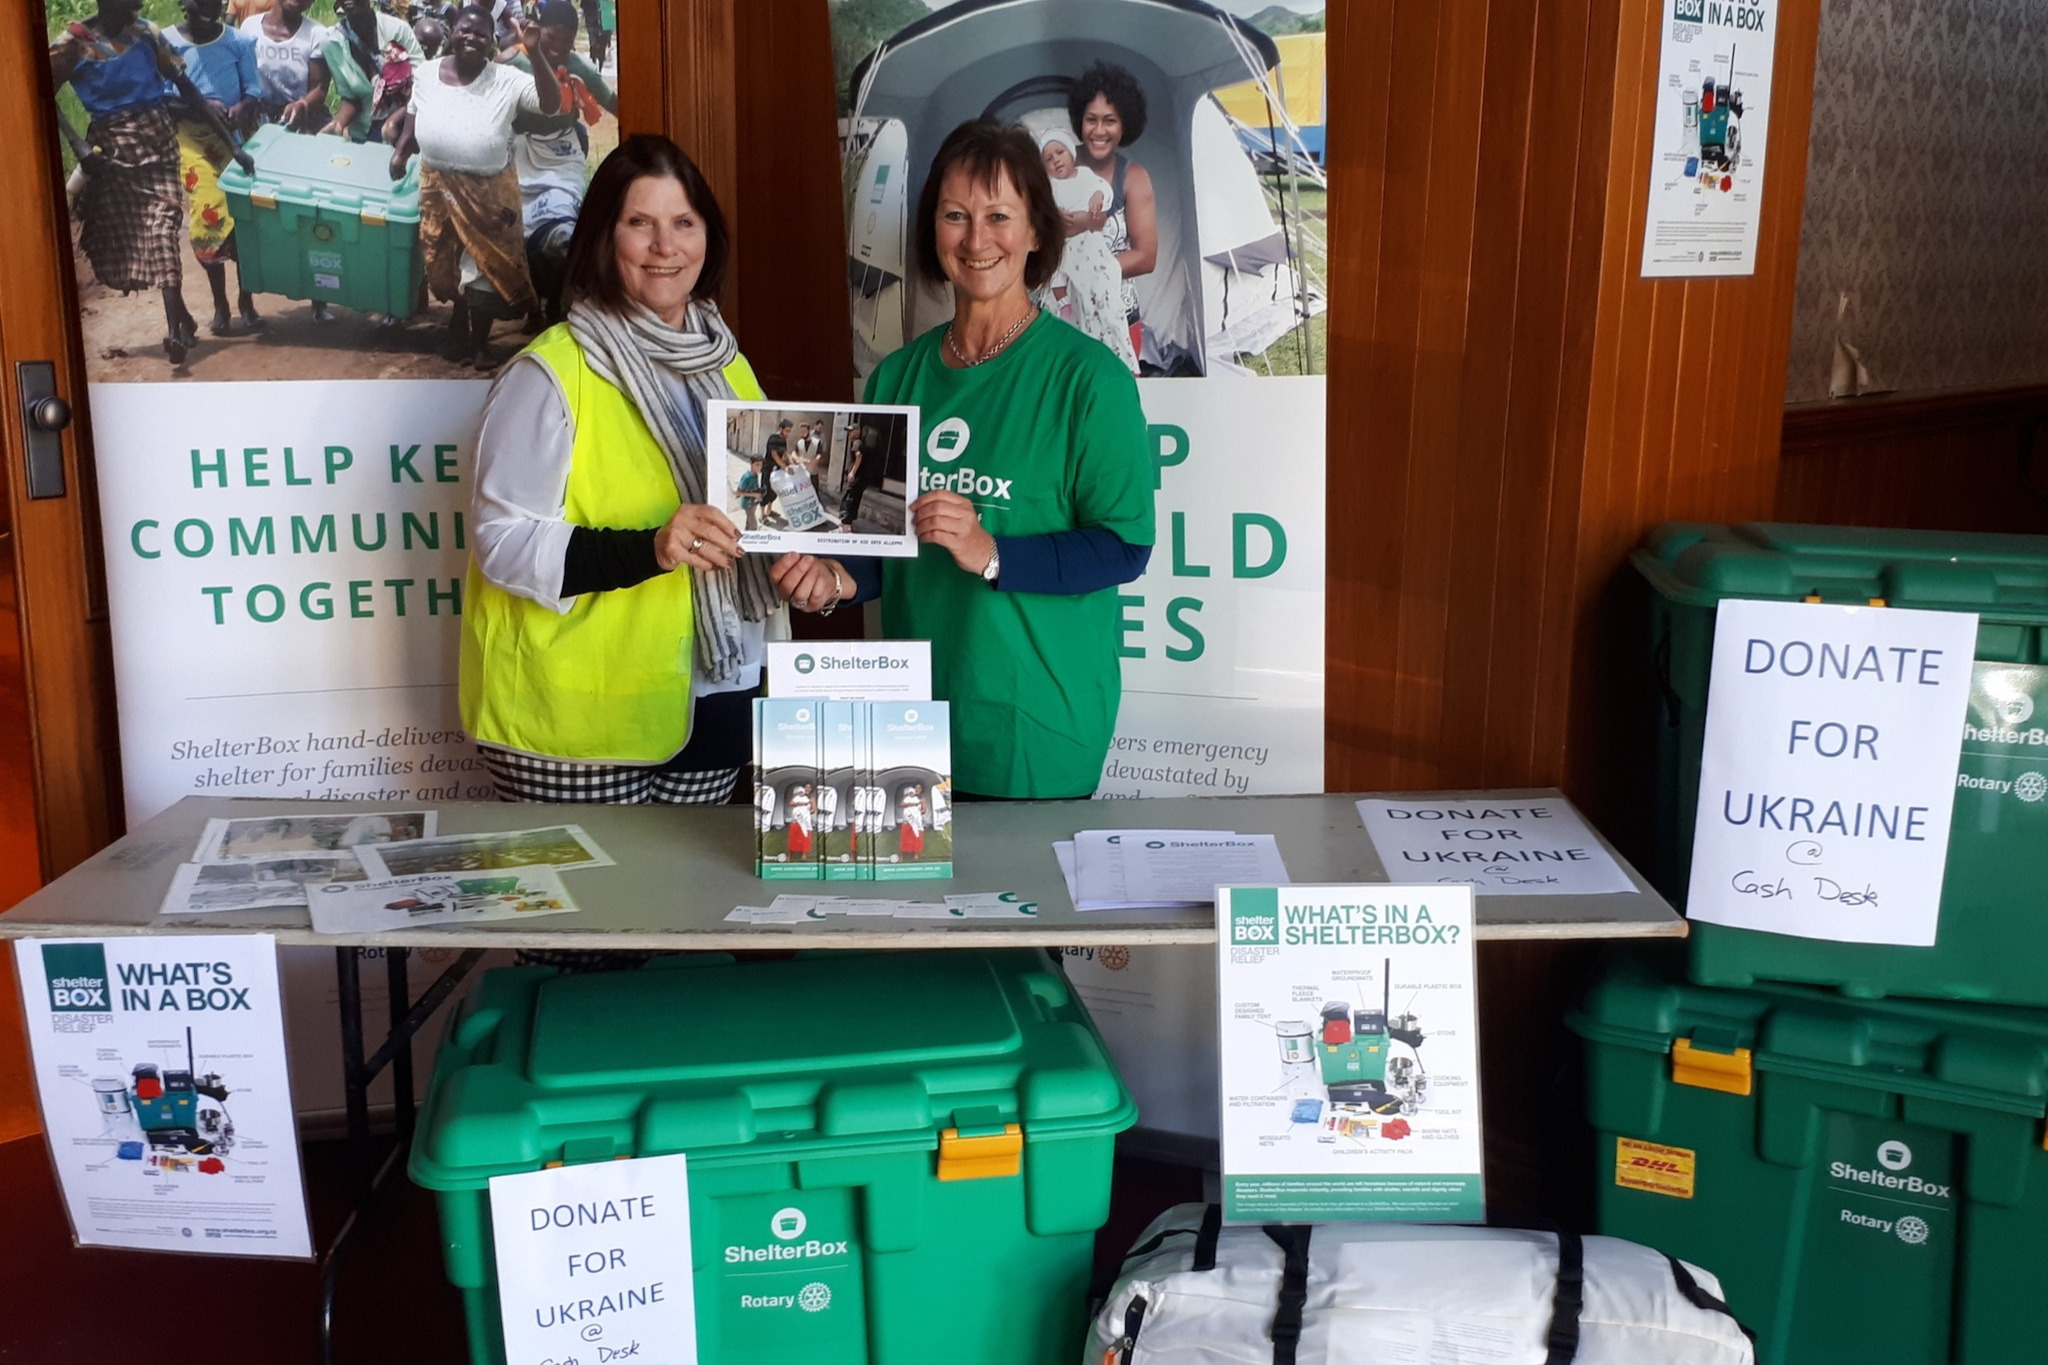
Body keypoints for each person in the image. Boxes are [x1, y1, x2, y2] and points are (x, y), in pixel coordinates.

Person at [771, 119, 1154, 800]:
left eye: (999, 216)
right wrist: (833, 579)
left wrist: (992, 550)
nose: (977, 240)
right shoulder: (895, 380)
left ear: (1037, 231)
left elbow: (1125, 546)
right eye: (955, 216)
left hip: (1033, 729)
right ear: (932, 231)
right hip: (908, 726)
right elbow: (880, 544)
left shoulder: (1087, 380)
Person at [462, 133, 787, 805]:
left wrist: (812, 559)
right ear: (605, 239)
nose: (665, 247)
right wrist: (651, 548)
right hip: (576, 718)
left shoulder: (726, 361)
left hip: (716, 694)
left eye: (683, 223)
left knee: (693, 910)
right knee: (595, 913)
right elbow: (502, 540)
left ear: (707, 237)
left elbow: (765, 506)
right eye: (640, 224)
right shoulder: (553, 373)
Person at [51, 0, 255, 367]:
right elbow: (39, 92)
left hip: (160, 143)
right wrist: (77, 145)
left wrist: (231, 146)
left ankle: (174, 332)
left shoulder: (146, 33)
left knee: (162, 230)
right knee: (132, 239)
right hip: (112, 153)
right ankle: (185, 318)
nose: (139, 3)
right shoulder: (71, 43)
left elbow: (188, 89)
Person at [384, 5, 560, 368]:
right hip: (437, 185)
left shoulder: (507, 79)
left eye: (482, 34)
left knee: (484, 266)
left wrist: (536, 52)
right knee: (443, 263)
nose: (472, 38)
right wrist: (401, 153)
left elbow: (551, 104)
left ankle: (480, 344)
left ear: (492, 42)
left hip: (489, 193)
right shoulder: (428, 73)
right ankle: (458, 323)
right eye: (465, 30)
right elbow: (413, 117)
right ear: (452, 33)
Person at [503, 0, 616, 328]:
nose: (558, 48)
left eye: (566, 42)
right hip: (519, 154)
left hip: (563, 153)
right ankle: (532, 305)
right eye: (552, 40)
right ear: (538, 30)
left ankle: (557, 302)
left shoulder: (579, 66)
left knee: (563, 234)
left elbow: (611, 102)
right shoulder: (514, 61)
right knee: (518, 233)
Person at [163, 0, 265, 337]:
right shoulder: (166, 43)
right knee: (208, 215)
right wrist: (202, 108)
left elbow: (253, 91)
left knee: (245, 219)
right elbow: (163, 100)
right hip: (191, 142)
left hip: (233, 137)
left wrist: (238, 109)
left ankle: (246, 300)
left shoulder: (236, 41)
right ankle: (220, 303)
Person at [1067, 62, 1156, 365]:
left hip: (1118, 315)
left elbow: (1146, 256)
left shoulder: (1133, 178)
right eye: (1091, 120)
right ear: (1079, 120)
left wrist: (1090, 270)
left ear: (1125, 125)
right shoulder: (1057, 169)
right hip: (1063, 318)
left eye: (1110, 121)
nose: (1099, 131)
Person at [1033, 125, 1135, 372]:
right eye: (1049, 158)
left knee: (1104, 279)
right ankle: (1063, 303)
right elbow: (1042, 210)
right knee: (1056, 271)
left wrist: (1098, 197)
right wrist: (1055, 214)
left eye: (1060, 153)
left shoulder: (1085, 175)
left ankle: (1118, 354)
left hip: (1089, 245)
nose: (1056, 160)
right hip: (1064, 246)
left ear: (1071, 154)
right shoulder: (1050, 187)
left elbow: (1104, 192)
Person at [321, 0, 423, 145]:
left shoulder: (398, 30)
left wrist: (395, 120)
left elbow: (423, 85)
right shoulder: (332, 42)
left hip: (406, 127)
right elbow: (351, 96)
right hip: (364, 132)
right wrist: (338, 122)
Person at [239, 0, 328, 131]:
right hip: (257, 119)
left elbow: (319, 87)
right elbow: (242, 77)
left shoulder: (317, 34)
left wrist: (302, 104)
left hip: (299, 122)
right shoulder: (250, 27)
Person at [736, 454, 765, 530]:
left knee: (749, 522)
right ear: (751, 464)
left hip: (753, 503)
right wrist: (754, 494)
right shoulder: (746, 477)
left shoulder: (755, 475)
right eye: (757, 465)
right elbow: (738, 493)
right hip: (747, 503)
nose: (759, 467)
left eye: (761, 465)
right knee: (754, 527)